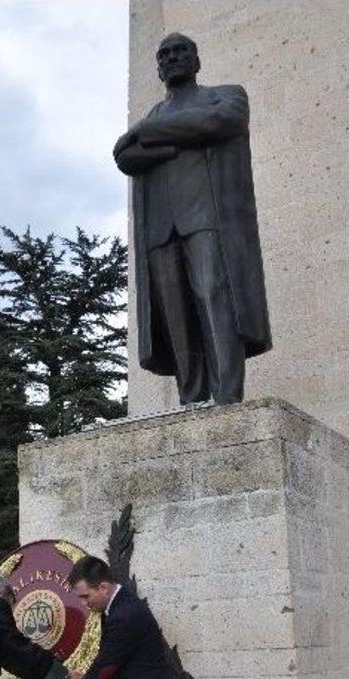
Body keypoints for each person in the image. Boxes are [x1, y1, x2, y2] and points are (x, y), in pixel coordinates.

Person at [113, 32, 271, 406]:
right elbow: (124, 158)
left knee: (214, 296)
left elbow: (222, 121)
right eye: (164, 54)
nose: (171, 58)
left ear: (197, 60)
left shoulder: (226, 95)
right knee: (175, 313)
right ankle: (192, 398)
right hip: (160, 228)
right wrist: (176, 142)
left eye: (180, 51)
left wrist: (147, 134)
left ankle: (227, 396)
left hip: (206, 217)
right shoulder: (154, 112)